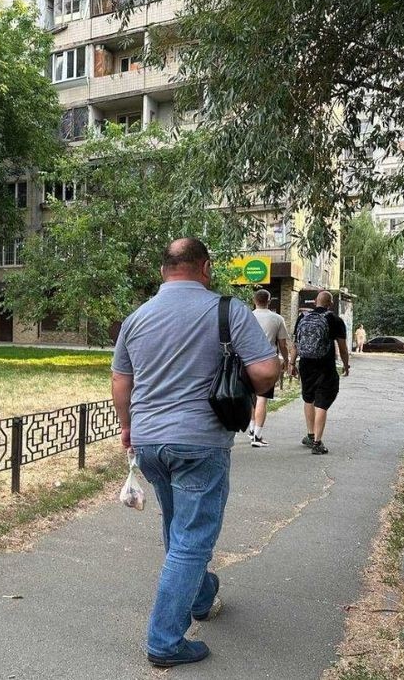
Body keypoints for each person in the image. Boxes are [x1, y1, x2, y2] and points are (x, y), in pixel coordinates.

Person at [111, 238, 280, 668]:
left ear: (164, 270)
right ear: (205, 268)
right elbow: (265, 372)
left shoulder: (137, 317)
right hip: (200, 442)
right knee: (191, 539)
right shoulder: (228, 310)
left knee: (178, 527)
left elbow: (120, 382)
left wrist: (128, 428)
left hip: (149, 443)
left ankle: (202, 596)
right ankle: (165, 641)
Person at [289, 291, 349, 455]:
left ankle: (310, 435)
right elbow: (343, 348)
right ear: (330, 304)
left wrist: (292, 363)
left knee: (308, 398)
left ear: (315, 301)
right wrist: (346, 365)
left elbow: (295, 343)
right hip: (325, 365)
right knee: (322, 401)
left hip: (305, 364)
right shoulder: (335, 320)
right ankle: (317, 442)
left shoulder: (302, 318)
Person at [248, 289, 290, 447]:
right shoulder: (277, 318)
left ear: (254, 300)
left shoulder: (247, 316)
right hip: (267, 361)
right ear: (269, 301)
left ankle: (251, 429)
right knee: (262, 398)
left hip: (248, 361)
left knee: (251, 397)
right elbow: (283, 344)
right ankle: (257, 436)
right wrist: (286, 360)